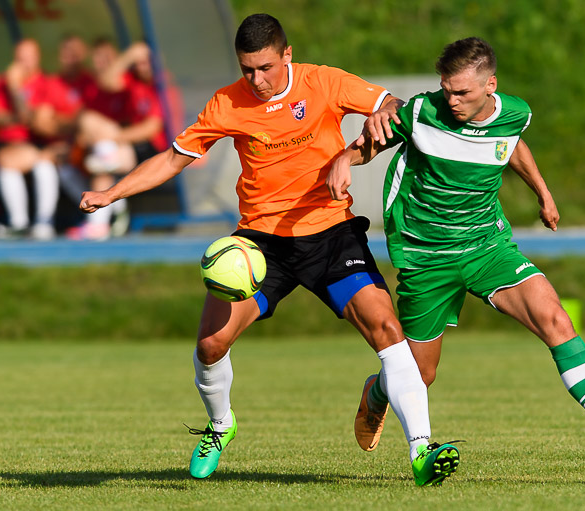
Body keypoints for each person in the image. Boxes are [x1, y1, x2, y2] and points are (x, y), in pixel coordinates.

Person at [79, 14, 459, 487]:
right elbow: (176, 158)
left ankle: (422, 451)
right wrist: (113, 193)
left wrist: (382, 116)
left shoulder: (325, 82)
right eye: (247, 70)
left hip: (329, 235)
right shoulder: (226, 103)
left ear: (286, 55)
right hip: (260, 245)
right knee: (210, 344)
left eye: (264, 68)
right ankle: (220, 426)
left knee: (386, 326)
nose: (256, 80)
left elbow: (393, 105)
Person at [327, 37, 585, 469]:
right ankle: (375, 395)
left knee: (555, 318)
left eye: (462, 93)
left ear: (491, 86)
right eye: (446, 89)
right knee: (420, 374)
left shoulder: (515, 113)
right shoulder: (420, 111)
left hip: (488, 246)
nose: (450, 100)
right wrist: (345, 158)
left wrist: (542, 192)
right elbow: (373, 140)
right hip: (426, 255)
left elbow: (512, 145)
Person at [69, 38, 167, 240]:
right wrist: (131, 54)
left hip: (157, 152)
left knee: (101, 149)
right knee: (97, 146)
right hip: (126, 147)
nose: (142, 66)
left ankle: (101, 220)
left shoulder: (161, 84)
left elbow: (151, 128)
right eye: (138, 62)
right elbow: (106, 80)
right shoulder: (133, 80)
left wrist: (114, 136)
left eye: (146, 61)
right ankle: (101, 224)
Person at [0, 38, 62, 240]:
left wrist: (16, 87)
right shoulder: (0, 83)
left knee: (43, 163)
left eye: (29, 57)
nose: (24, 63)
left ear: (37, 58)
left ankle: (43, 222)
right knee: (6, 160)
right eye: (20, 58)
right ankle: (19, 223)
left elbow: (38, 121)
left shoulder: (47, 84)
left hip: (37, 144)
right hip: (5, 144)